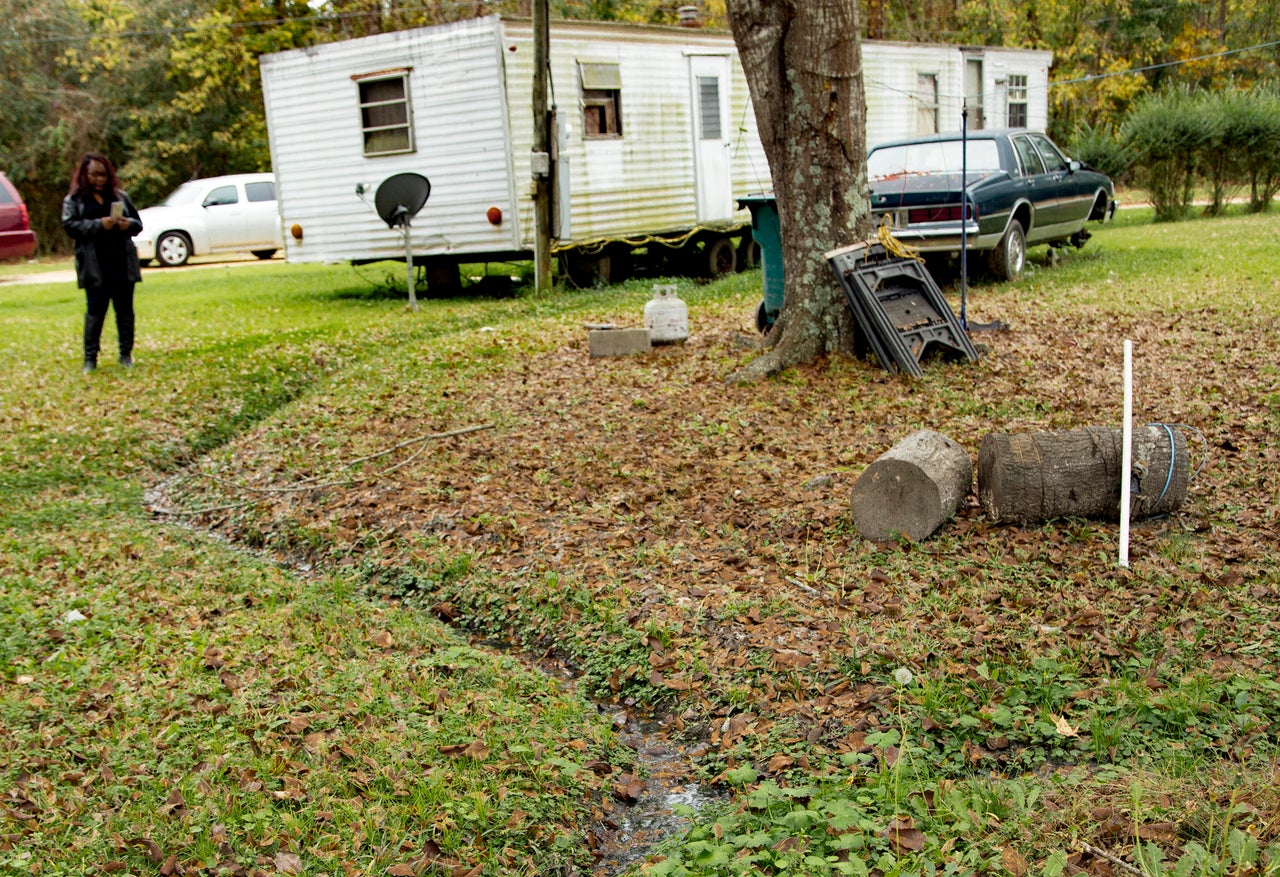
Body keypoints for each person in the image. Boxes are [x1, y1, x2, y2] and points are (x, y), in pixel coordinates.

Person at [61, 152, 143, 373]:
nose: (99, 179)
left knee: (125, 311)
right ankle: (90, 358)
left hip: (122, 262)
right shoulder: (75, 201)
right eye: (94, 175)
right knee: (95, 312)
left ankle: (125, 354)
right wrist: (99, 225)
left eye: (103, 175)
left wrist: (127, 224)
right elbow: (70, 226)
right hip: (94, 265)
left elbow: (138, 223)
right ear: (84, 175)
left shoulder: (120, 196)